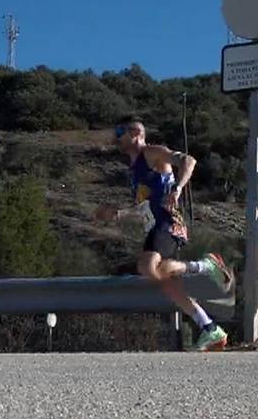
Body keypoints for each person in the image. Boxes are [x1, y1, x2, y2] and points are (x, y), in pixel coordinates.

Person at [93, 118, 233, 351]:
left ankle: (207, 266)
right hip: (154, 224)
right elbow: (145, 208)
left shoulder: (151, 153)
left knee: (148, 266)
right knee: (167, 283)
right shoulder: (135, 171)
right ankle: (209, 327)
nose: (116, 138)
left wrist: (177, 189)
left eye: (120, 132)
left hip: (167, 222)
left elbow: (188, 160)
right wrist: (117, 215)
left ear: (136, 133)